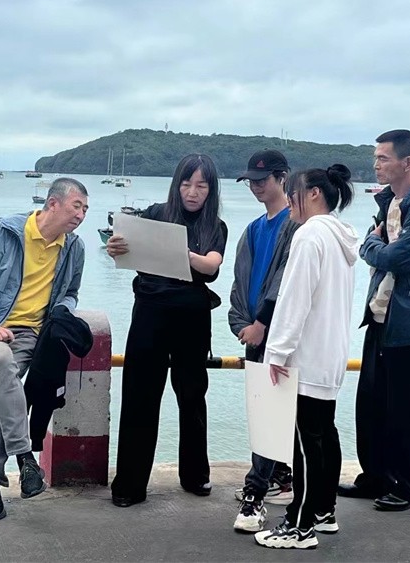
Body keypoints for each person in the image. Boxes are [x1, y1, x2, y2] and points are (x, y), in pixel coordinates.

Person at [0, 177, 88, 522]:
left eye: (85, 209)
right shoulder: (7, 234)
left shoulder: (74, 248)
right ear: (53, 204)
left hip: (30, 334)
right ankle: (24, 457)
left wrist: (62, 311)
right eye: (76, 206)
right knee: (0, 362)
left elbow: (71, 292)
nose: (81, 215)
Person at [337, 129, 410, 512]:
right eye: (375, 158)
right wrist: (376, 245)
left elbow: (395, 257)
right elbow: (383, 252)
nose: (376, 165)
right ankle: (376, 477)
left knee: (406, 408)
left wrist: (371, 244)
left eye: (383, 158)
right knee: (371, 402)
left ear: (407, 163)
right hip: (382, 316)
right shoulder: (389, 201)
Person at [107, 154, 228, 507]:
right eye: (186, 184)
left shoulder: (215, 226)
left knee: (192, 395)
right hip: (150, 313)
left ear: (211, 190)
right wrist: (115, 248)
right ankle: (129, 485)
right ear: (177, 185)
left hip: (192, 317)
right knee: (140, 396)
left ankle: (195, 475)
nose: (192, 192)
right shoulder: (155, 214)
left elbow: (211, 266)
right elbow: (127, 251)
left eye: (201, 186)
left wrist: (181, 253)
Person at [253, 165, 358, 551]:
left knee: (304, 443)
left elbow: (294, 299)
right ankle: (324, 512)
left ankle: (300, 525)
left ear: (314, 193)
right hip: (330, 355)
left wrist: (277, 352)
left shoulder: (310, 234)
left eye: (292, 191)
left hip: (306, 356)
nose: (289, 200)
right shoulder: (339, 236)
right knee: (323, 435)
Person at [228, 150, 299, 533]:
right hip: (254, 333)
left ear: (282, 178)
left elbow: (285, 282)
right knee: (266, 413)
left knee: (271, 414)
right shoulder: (255, 229)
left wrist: (262, 324)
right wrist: (241, 323)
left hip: (278, 335)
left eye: (263, 180)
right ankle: (281, 477)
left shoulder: (295, 225)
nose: (256, 187)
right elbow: (241, 280)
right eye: (251, 181)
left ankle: (255, 495)